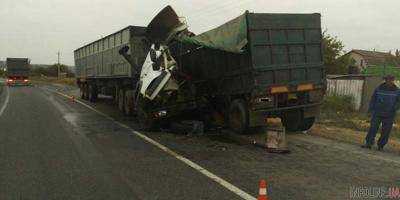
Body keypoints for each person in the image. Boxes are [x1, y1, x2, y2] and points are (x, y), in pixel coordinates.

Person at [362, 75, 400, 151]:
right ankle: (368, 143)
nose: (389, 81)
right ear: (385, 80)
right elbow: (373, 99)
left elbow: (399, 102)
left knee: (386, 131)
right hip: (377, 112)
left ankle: (381, 146)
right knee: (373, 128)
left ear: (393, 81)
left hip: (390, 114)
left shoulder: (397, 91)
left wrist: (395, 108)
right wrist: (370, 110)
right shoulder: (378, 89)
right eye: (387, 80)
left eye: (391, 80)